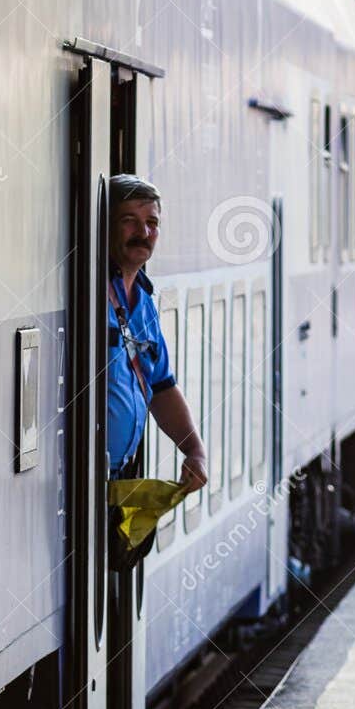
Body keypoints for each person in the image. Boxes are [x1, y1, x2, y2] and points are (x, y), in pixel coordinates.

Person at [107, 175, 207, 493]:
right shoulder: (90, 292)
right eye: (129, 221)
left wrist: (194, 451)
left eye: (152, 222)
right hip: (81, 478)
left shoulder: (144, 301)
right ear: (106, 226)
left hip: (117, 477)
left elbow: (161, 387)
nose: (143, 233)